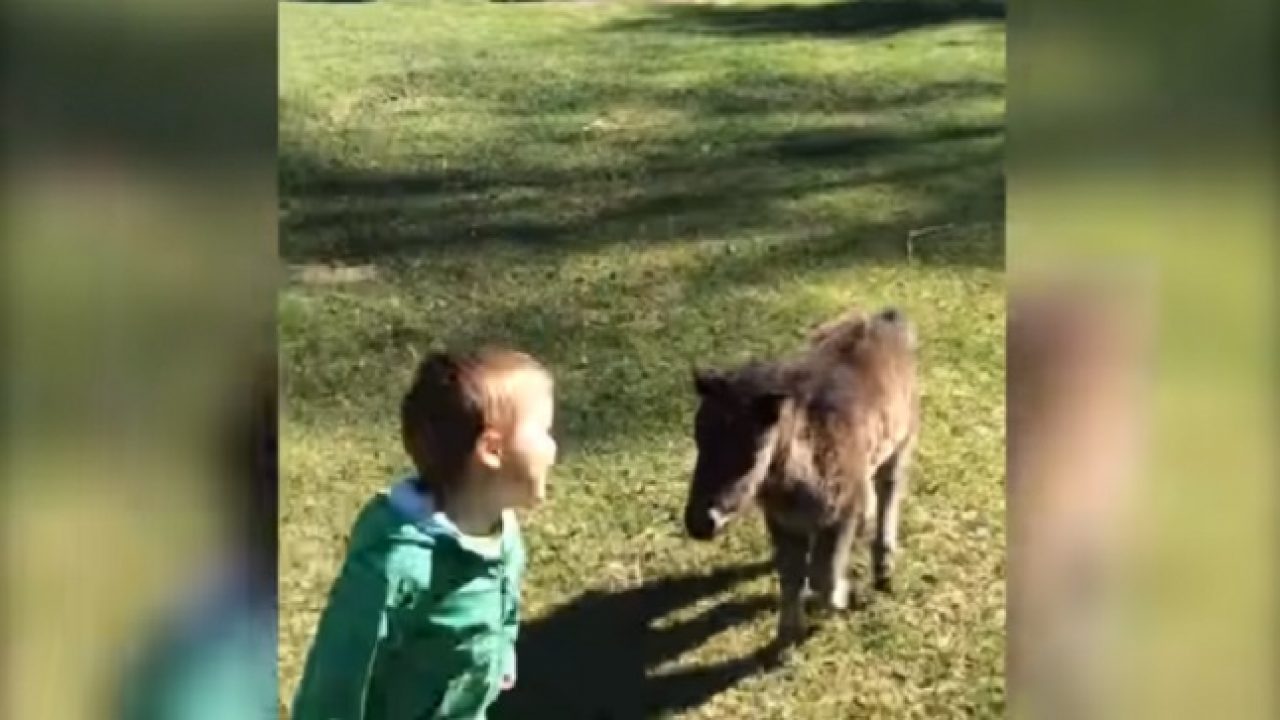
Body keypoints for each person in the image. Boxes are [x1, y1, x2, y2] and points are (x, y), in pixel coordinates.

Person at [292, 348, 557, 720]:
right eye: (544, 432)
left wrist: (501, 656)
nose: (553, 449)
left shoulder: (502, 529)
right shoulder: (396, 566)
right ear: (493, 449)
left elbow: (506, 598)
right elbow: (335, 679)